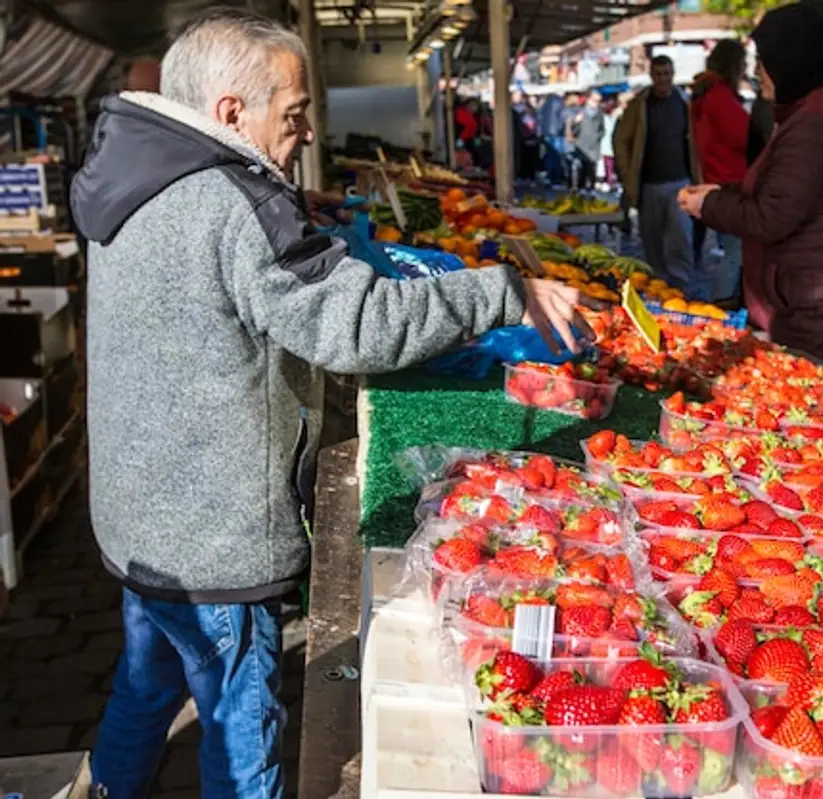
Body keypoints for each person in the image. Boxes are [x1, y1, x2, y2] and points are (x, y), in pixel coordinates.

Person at [70, 9, 592, 796]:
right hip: (213, 535)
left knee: (147, 681)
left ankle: (105, 788)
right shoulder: (233, 203)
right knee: (241, 729)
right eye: (295, 112)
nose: (308, 132)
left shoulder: (134, 176)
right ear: (230, 114)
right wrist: (503, 290)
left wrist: (289, 222)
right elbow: (356, 326)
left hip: (140, 513)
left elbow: (203, 286)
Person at [680, 0, 823, 380]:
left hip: (822, 306)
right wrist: (722, 191)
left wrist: (710, 204)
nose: (757, 71)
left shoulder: (814, 122)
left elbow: (772, 216)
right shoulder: (815, 109)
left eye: (765, 60)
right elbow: (781, 187)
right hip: (811, 297)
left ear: (793, 60)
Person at [613, 55, 704, 298]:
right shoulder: (639, 104)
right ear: (652, 76)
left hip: (679, 181)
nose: (663, 79)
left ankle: (680, 286)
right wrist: (626, 172)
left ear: (672, 75)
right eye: (658, 74)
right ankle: (658, 285)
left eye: (667, 74)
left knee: (680, 238)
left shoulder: (683, 103)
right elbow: (621, 139)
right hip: (648, 184)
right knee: (651, 239)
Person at [691, 39, 751, 302]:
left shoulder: (705, 92)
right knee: (736, 252)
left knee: (732, 250)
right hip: (729, 183)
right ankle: (723, 303)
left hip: (716, 180)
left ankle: (724, 300)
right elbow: (745, 135)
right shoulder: (719, 95)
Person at [571, 91, 606, 191]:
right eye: (594, 100)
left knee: (591, 168)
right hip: (581, 143)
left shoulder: (600, 113)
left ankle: (590, 188)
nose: (596, 103)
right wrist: (576, 122)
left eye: (598, 101)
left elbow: (602, 129)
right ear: (589, 100)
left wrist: (597, 137)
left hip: (593, 145)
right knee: (580, 167)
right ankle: (579, 188)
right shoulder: (580, 112)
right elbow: (573, 131)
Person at [539, 92, 567, 184]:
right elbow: (561, 118)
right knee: (557, 156)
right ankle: (556, 178)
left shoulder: (546, 103)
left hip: (547, 132)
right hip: (556, 133)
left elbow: (541, 117)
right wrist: (561, 129)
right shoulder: (559, 102)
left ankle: (549, 176)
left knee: (550, 155)